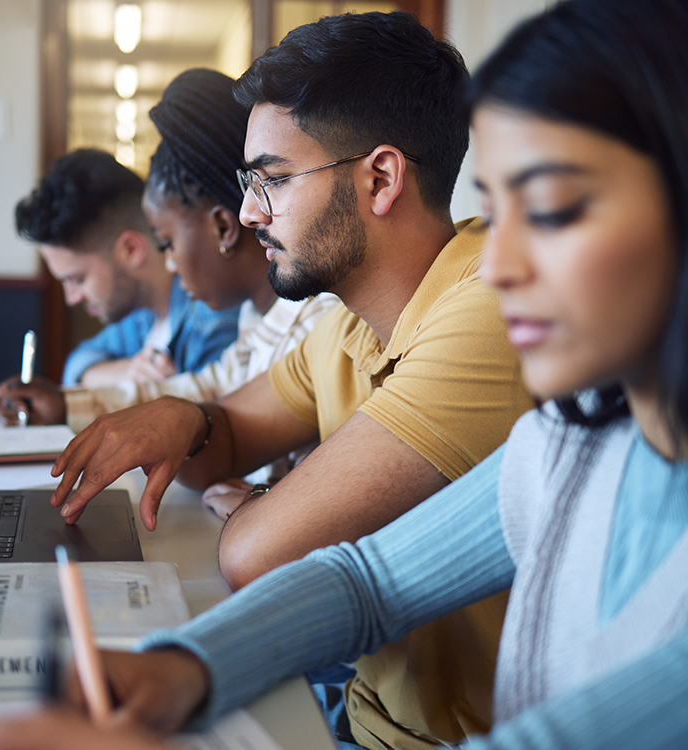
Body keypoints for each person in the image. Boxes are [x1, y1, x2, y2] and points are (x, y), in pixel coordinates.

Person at [0, 0, 688, 748]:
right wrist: (182, 668)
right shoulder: (576, 441)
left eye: (551, 208)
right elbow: (369, 582)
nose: (502, 266)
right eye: (499, 211)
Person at [43, 12, 532, 749]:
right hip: (358, 714)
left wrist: (268, 503)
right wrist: (186, 418)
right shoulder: (347, 319)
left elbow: (256, 554)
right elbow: (225, 436)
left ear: (381, 178)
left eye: (271, 180)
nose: (246, 212)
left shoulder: (485, 308)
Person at [0, 71, 340, 498]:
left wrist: (255, 503)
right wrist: (67, 405)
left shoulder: (321, 319)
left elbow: (321, 477)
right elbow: (202, 392)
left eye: (168, 243)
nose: (171, 265)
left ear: (222, 227)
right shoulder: (259, 315)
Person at [0, 148, 239, 395]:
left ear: (131, 250)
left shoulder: (214, 321)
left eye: (78, 280)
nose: (71, 298)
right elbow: (78, 364)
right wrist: (125, 372)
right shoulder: (142, 319)